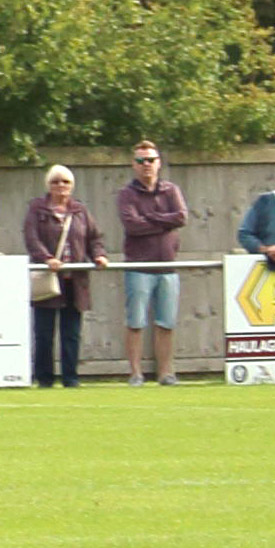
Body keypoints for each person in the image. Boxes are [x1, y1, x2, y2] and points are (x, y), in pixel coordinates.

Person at [26, 164, 110, 388]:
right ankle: (44, 379)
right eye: (55, 181)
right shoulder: (37, 209)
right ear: (48, 185)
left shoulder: (80, 211)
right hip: (48, 279)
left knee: (71, 334)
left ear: (71, 186)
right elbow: (31, 238)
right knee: (43, 333)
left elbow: (94, 237)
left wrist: (99, 256)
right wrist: (46, 259)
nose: (60, 186)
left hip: (76, 279)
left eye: (65, 182)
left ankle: (71, 378)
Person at [117, 139, 188, 386]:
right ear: (133, 165)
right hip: (138, 267)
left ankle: (166, 373)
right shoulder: (127, 194)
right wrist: (163, 222)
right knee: (136, 323)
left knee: (166, 323)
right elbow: (132, 226)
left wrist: (150, 218)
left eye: (150, 160)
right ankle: (135, 373)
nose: (146, 164)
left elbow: (181, 217)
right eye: (140, 160)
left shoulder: (171, 190)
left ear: (159, 163)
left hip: (168, 267)